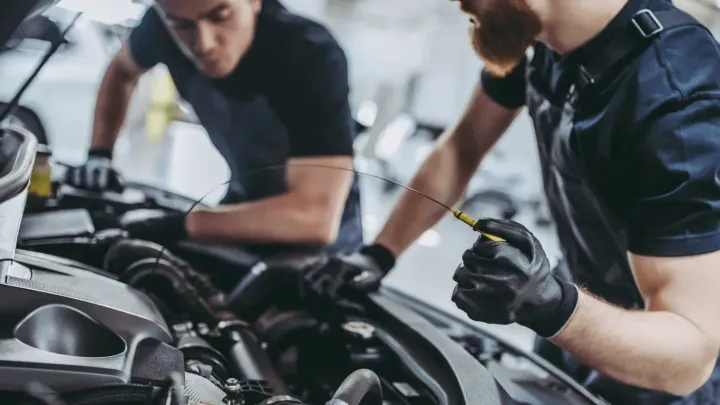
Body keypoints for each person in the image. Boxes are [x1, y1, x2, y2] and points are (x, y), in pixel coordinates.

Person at [326, 0, 720, 403]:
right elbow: (463, 147)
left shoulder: (677, 95)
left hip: (654, 372)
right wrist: (379, 253)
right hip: (572, 326)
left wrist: (551, 304)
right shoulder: (537, 36)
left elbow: (690, 355)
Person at [64, 0, 363, 255]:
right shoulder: (160, 26)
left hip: (320, 246)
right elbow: (121, 72)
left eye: (219, 16)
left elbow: (314, 217)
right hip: (240, 206)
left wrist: (182, 224)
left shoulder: (310, 55)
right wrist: (100, 153)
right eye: (182, 25)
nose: (203, 43)